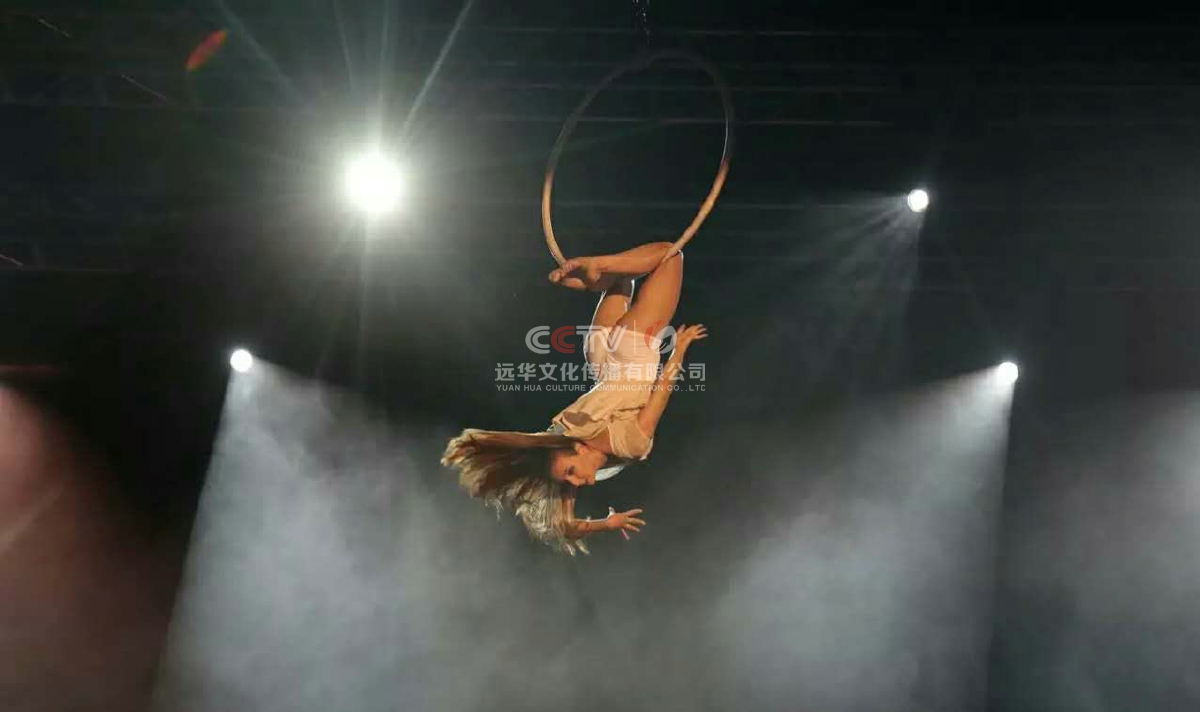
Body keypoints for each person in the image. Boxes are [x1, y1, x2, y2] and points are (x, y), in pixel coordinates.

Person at [441, 242, 707, 554]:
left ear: (579, 448)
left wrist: (679, 350)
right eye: (571, 481)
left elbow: (660, 395)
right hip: (599, 355)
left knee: (670, 255)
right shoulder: (565, 438)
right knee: (624, 277)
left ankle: (598, 266)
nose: (577, 483)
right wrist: (605, 524)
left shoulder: (629, 447)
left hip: (633, 349)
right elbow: (564, 526)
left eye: (571, 473)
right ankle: (597, 276)